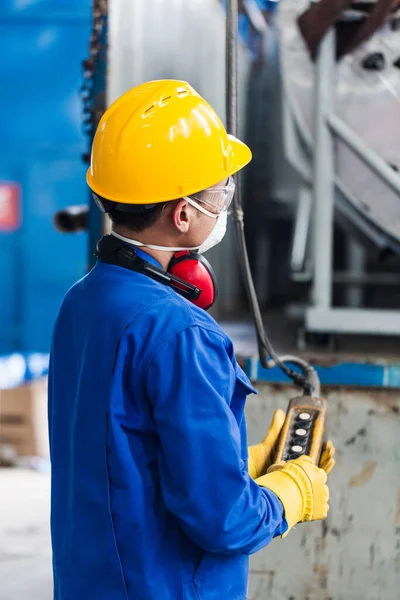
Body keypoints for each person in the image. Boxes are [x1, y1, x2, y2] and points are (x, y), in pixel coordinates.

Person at [48, 80, 335, 600]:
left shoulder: (82, 303)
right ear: (183, 215)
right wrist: (288, 493)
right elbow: (223, 520)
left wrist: (240, 464)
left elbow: (118, 454)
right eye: (221, 190)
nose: (226, 200)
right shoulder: (181, 333)